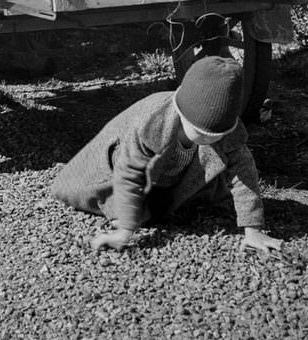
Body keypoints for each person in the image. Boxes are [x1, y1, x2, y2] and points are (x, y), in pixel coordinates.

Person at [50, 56, 283, 253]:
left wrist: (254, 230)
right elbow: (128, 173)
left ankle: (160, 201)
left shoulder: (229, 134)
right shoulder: (152, 121)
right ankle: (127, 211)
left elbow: (244, 175)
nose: (208, 139)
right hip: (118, 167)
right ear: (181, 112)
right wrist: (124, 231)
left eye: (216, 135)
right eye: (200, 132)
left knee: (203, 196)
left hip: (174, 177)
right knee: (127, 209)